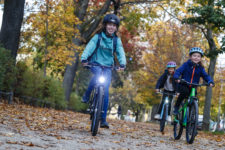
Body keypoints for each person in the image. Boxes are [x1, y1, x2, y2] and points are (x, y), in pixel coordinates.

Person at [80, 14, 126, 128]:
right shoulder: (98, 37)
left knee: (105, 91)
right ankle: (87, 94)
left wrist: (122, 63)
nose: (111, 27)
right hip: (95, 63)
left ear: (116, 28)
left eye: (114, 25)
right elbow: (89, 47)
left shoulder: (116, 40)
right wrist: (84, 58)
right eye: (109, 24)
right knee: (96, 76)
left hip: (108, 67)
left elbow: (120, 52)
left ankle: (103, 119)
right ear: (105, 25)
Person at [173, 47, 214, 115]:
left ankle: (191, 114)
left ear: (200, 58)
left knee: (194, 97)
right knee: (184, 92)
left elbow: (205, 76)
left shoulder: (200, 68)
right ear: (190, 56)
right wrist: (177, 77)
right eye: (194, 55)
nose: (196, 57)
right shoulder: (186, 65)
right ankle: (176, 107)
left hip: (193, 86)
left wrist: (210, 81)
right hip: (184, 84)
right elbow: (178, 71)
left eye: (198, 56)